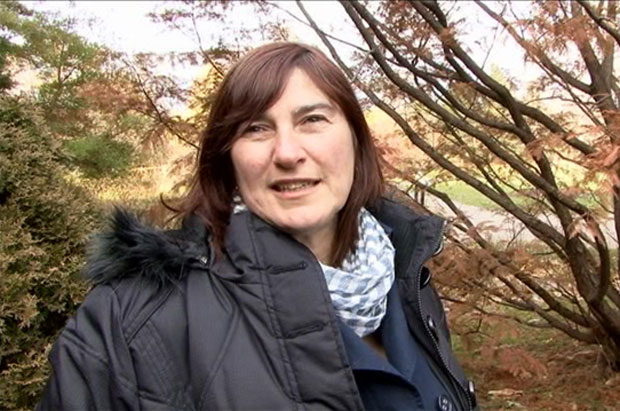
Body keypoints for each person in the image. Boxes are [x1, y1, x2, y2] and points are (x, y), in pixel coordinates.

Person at [38, 42, 478, 411]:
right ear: (227, 158)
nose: (287, 152)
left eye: (312, 120)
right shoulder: (130, 320)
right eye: (256, 129)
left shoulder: (406, 279)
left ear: (356, 142)